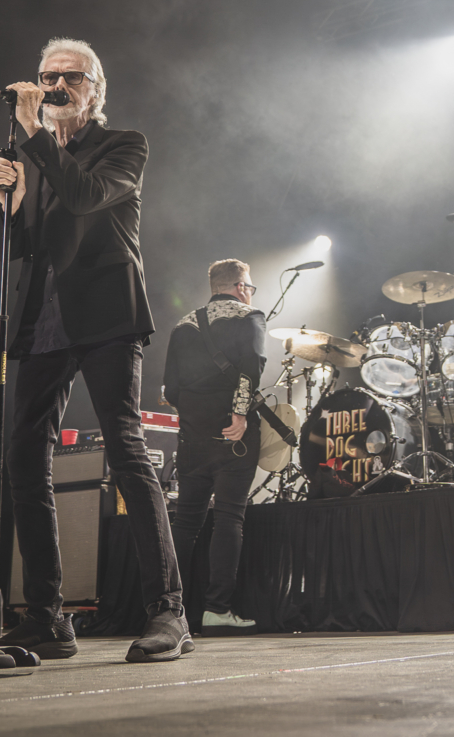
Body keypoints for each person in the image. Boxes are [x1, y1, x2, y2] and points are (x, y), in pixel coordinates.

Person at [0, 37, 190, 663]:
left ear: (95, 89)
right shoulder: (36, 156)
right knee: (25, 459)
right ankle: (46, 617)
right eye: (47, 75)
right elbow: (25, 246)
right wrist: (9, 203)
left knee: (127, 451)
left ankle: (169, 613)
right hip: (44, 315)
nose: (54, 87)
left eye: (70, 78)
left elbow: (81, 198)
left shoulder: (124, 145)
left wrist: (33, 140)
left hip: (106, 314)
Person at [163, 259, 267, 635]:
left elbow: (170, 389)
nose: (250, 292)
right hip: (233, 435)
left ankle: (171, 610)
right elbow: (251, 366)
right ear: (241, 287)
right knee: (228, 518)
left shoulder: (183, 325)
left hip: (191, 439)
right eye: (249, 286)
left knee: (185, 523)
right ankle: (217, 610)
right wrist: (238, 415)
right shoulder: (250, 316)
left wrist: (195, 419)